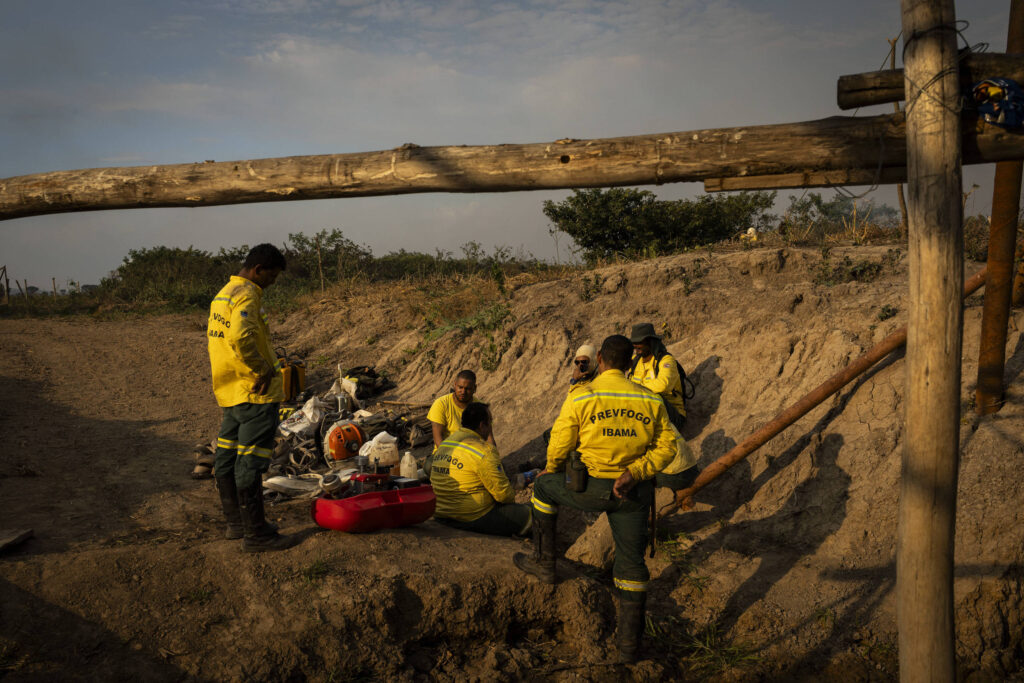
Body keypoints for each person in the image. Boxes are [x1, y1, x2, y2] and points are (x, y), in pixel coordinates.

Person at [513, 335, 676, 663]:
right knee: (632, 566)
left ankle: (545, 564)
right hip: (630, 492)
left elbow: (560, 441)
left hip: (587, 488)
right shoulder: (651, 399)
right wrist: (635, 471)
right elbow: (668, 447)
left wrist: (551, 468)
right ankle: (628, 648)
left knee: (544, 489)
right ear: (631, 362)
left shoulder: (582, 395)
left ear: (599, 358)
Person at [208, 243, 297, 553]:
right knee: (251, 463)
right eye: (271, 277)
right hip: (254, 394)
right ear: (259, 270)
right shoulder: (247, 295)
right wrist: (262, 369)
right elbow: (242, 336)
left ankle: (237, 525)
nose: (272, 283)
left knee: (227, 458)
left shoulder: (224, 293)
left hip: (230, 391)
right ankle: (257, 535)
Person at [431, 402, 534, 537]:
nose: (491, 426)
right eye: (490, 422)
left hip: (440, 514)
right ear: (482, 425)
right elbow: (503, 495)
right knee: (535, 513)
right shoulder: (484, 451)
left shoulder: (445, 444)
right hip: (471, 517)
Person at [424, 370, 492, 476]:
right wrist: (457, 461)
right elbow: (438, 440)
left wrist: (493, 457)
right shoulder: (441, 404)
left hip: (472, 454)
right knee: (429, 466)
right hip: (446, 454)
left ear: (475, 389)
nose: (463, 392)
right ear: (454, 385)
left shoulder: (480, 407)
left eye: (468, 389)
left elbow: (489, 439)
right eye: (460, 387)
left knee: (497, 467)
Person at [627, 322, 687, 428]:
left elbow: (663, 385)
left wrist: (634, 389)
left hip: (672, 415)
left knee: (652, 398)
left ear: (650, 342)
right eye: (634, 342)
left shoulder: (666, 360)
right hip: (644, 414)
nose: (636, 346)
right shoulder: (635, 361)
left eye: (639, 342)